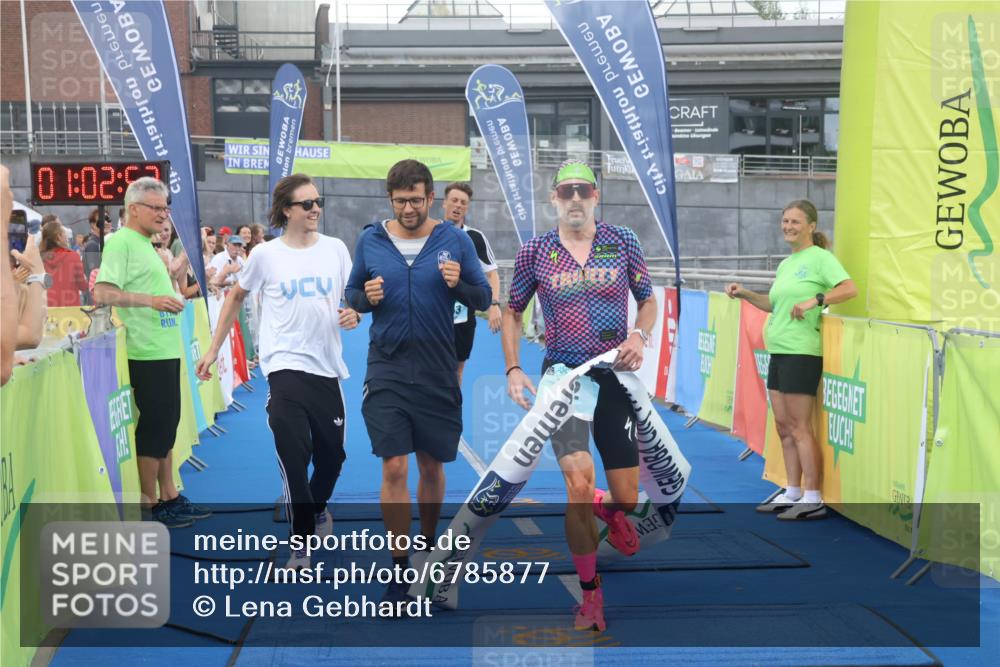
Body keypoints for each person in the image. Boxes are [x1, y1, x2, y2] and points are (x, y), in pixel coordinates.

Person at [502, 160, 656, 632]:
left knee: (628, 497)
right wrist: (513, 368)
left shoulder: (622, 241)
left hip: (613, 376)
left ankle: (613, 512)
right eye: (565, 191)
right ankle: (590, 596)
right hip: (564, 381)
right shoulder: (535, 251)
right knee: (577, 486)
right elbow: (512, 311)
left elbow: (648, 299)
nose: (574, 199)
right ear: (554, 199)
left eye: (582, 191)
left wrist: (638, 335)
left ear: (595, 196)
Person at [196, 174, 360, 569]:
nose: (316, 208)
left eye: (318, 201)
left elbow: (352, 297)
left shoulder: (336, 249)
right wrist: (213, 348)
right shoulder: (266, 255)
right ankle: (300, 543)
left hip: (326, 369)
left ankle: (318, 510)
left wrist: (354, 311)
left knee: (332, 458)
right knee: (292, 453)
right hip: (284, 367)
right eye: (307, 204)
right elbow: (236, 296)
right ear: (287, 210)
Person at [345, 159, 491, 604]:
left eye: (416, 199)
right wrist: (364, 298)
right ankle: (399, 565)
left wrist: (460, 285)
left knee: (432, 465)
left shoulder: (454, 240)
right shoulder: (371, 239)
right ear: (390, 199)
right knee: (393, 465)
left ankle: (428, 551)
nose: (408, 208)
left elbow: (484, 296)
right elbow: (352, 293)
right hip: (386, 366)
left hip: (436, 368)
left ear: (432, 198)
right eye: (400, 200)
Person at [726, 199, 856, 520]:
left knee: (800, 427)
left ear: (811, 226)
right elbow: (773, 304)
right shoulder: (787, 264)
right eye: (785, 222)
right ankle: (792, 490)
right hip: (779, 351)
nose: (788, 227)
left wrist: (817, 299)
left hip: (802, 352)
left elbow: (850, 288)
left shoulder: (821, 259)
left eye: (795, 222)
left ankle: (813, 496)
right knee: (783, 427)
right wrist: (745, 293)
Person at [93, 177, 210, 529]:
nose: (164, 215)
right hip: (145, 350)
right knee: (155, 428)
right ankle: (150, 502)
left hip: (164, 346)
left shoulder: (146, 243)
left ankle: (169, 494)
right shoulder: (121, 243)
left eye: (165, 208)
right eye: (156, 208)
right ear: (133, 209)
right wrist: (152, 301)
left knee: (166, 425)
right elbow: (102, 293)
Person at [441, 182, 502, 385]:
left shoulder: (475, 238)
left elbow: (492, 274)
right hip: (433, 314)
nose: (458, 206)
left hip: (463, 317)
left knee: (457, 371)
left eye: (463, 203)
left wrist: (494, 305)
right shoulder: (431, 233)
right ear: (444, 203)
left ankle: (451, 412)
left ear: (467, 207)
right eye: (454, 201)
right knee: (430, 369)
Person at [40, 219, 87, 307]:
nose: (66, 236)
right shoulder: (73, 256)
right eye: (64, 233)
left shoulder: (39, 258)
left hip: (46, 306)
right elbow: (82, 285)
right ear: (59, 237)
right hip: (69, 307)